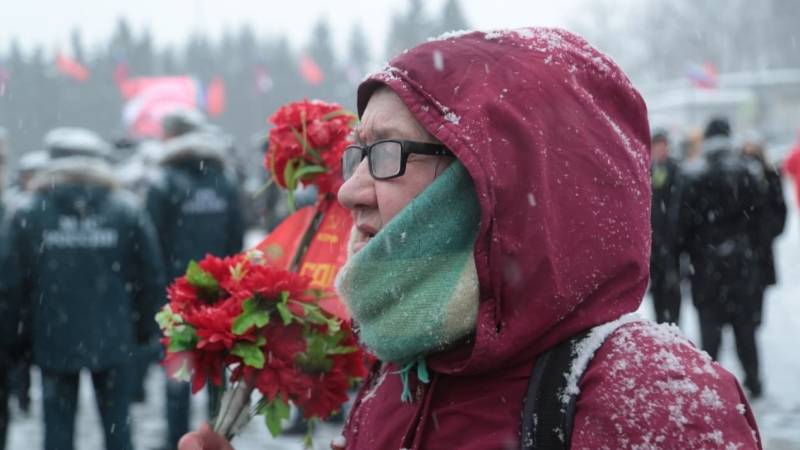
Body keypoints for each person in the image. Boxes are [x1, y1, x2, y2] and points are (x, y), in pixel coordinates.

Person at [180, 28, 761, 449]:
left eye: (385, 154)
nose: (351, 189)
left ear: (498, 176)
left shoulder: (654, 403)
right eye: (356, 154)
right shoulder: (404, 368)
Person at [0, 127, 166, 450]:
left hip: (52, 337)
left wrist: (16, 342)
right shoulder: (125, 208)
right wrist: (144, 333)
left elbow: (11, 285)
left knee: (57, 432)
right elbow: (150, 276)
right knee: (118, 431)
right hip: (115, 336)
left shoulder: (28, 211)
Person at [145, 115, 245, 450]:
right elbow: (236, 238)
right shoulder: (225, 182)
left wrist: (161, 288)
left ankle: (178, 439)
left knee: (179, 373)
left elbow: (152, 243)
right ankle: (215, 439)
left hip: (178, 295)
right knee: (216, 371)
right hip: (219, 293)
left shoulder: (163, 183)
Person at [678, 118, 767, 398]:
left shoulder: (693, 176)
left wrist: (686, 259)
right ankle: (753, 382)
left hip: (706, 269)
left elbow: (683, 227)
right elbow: (762, 225)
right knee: (746, 334)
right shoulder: (748, 172)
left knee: (710, 336)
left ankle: (708, 388)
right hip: (743, 268)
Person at [740, 135, 787, 329]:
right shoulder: (738, 173)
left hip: (761, 244)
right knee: (744, 287)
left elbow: (780, 209)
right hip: (743, 244)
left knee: (758, 287)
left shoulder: (770, 174)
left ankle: (752, 322)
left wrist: (769, 231)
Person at [649, 130, 683, 325]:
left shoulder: (675, 169)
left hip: (672, 244)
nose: (660, 150)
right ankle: (660, 322)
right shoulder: (648, 169)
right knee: (658, 291)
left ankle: (673, 325)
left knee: (673, 289)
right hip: (653, 244)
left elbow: (677, 206)